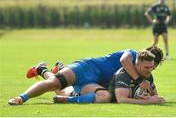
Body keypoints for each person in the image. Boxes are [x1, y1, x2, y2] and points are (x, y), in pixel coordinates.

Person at [8, 46, 163, 105]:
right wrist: (139, 79)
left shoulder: (143, 70)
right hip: (86, 68)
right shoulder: (132, 54)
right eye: (149, 66)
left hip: (94, 83)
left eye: (153, 68)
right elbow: (124, 60)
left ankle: (46, 71)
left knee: (104, 96)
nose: (150, 70)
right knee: (54, 84)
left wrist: (149, 98)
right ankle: (21, 98)